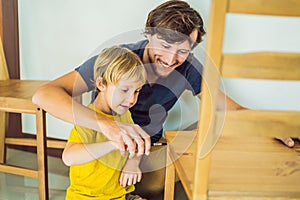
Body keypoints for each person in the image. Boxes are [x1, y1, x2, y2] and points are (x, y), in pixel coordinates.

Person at [32, 0, 295, 198]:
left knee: (210, 129)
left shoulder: (189, 67)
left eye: (182, 50)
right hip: (110, 150)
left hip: (147, 150)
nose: (171, 60)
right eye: (165, 46)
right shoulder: (119, 60)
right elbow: (44, 94)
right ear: (149, 34)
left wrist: (268, 127)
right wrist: (108, 126)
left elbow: (227, 108)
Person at [62, 46, 147, 199]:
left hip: (120, 196)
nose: (132, 100)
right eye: (125, 90)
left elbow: (134, 145)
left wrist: (133, 162)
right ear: (101, 84)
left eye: (136, 91)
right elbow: (69, 157)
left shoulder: (125, 113)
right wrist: (111, 144)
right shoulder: (88, 119)